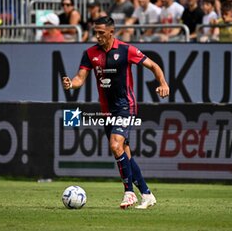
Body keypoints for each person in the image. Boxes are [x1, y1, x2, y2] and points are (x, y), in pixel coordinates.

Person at [62, 16, 169, 209]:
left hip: (125, 106)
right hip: (107, 110)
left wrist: (162, 82)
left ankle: (129, 193)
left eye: (101, 33)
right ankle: (146, 194)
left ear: (112, 32)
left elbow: (153, 65)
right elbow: (80, 78)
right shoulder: (90, 53)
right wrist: (71, 84)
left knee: (115, 144)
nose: (97, 36)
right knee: (124, 153)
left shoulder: (126, 50)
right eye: (96, 32)